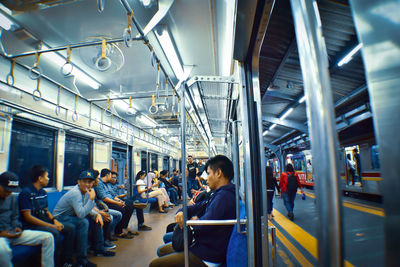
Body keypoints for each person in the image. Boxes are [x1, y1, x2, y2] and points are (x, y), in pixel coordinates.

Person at [149, 155, 236, 267]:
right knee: (162, 250)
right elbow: (195, 207)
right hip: (202, 245)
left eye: (209, 174)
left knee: (155, 264)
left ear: (218, 173)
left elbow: (202, 226)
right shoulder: (217, 193)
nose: (206, 178)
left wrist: (195, 221)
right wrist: (181, 211)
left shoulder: (224, 197)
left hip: (208, 255)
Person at [18, 165, 75, 266]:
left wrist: (55, 221)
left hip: (44, 221)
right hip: (31, 225)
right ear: (40, 178)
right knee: (55, 232)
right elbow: (28, 217)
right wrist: (51, 226)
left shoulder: (43, 192)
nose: (48, 179)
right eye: (47, 176)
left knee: (70, 228)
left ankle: (66, 261)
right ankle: (55, 263)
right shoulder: (26, 193)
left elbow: (46, 210)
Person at [0, 171, 55, 267]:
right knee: (2, 250)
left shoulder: (11, 197)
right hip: (1, 237)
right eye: (6, 190)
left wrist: (17, 227)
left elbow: (15, 217)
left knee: (48, 237)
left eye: (11, 191)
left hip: (12, 233)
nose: (8, 193)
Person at [52, 170, 98, 267]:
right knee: (84, 222)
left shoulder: (87, 192)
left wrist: (96, 214)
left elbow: (85, 208)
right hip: (59, 218)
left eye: (90, 182)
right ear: (78, 182)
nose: (87, 184)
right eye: (84, 181)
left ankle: (96, 249)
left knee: (91, 220)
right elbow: (81, 214)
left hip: (70, 216)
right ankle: (81, 259)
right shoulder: (75, 193)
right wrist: (92, 199)